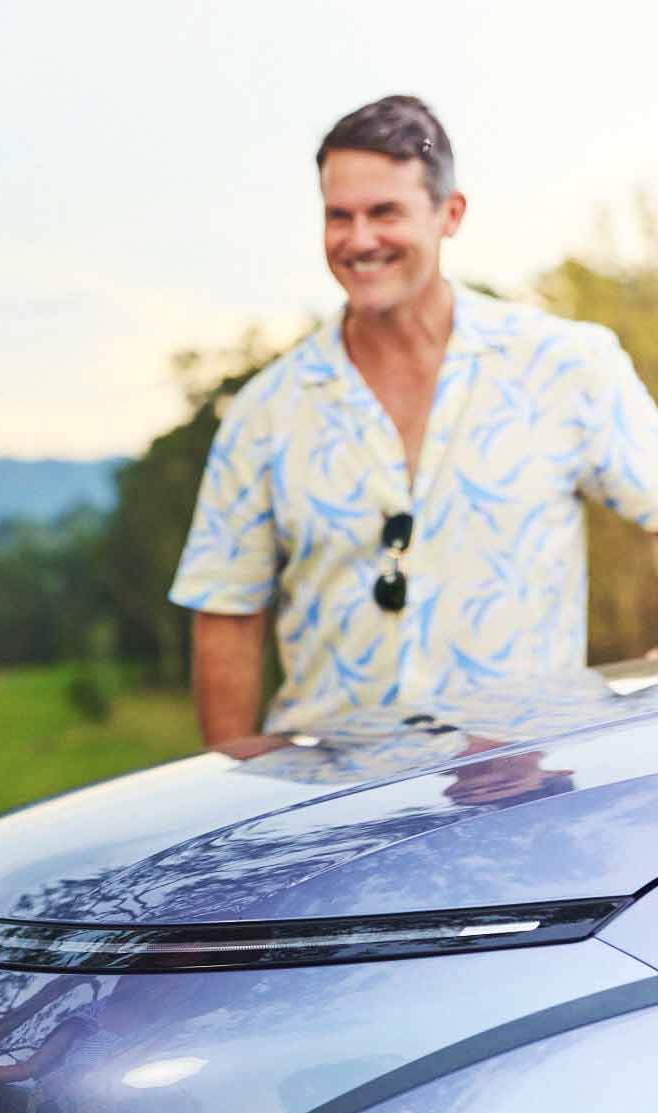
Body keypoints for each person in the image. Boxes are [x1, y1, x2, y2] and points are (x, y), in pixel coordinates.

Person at [169, 94, 658, 745]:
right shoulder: (264, 410)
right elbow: (228, 609)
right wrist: (232, 779)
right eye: (338, 216)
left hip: (524, 794)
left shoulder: (567, 365)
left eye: (384, 213)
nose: (359, 239)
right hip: (330, 803)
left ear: (449, 214)